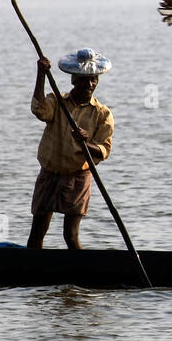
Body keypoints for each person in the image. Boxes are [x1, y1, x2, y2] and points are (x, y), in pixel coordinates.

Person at [28, 48, 114, 250]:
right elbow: (38, 109)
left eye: (94, 80)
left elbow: (103, 150)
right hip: (50, 173)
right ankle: (31, 271)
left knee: (71, 235)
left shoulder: (102, 114)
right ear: (74, 80)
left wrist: (86, 142)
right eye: (85, 80)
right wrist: (41, 74)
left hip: (78, 177)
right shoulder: (58, 102)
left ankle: (80, 273)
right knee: (38, 232)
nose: (90, 84)